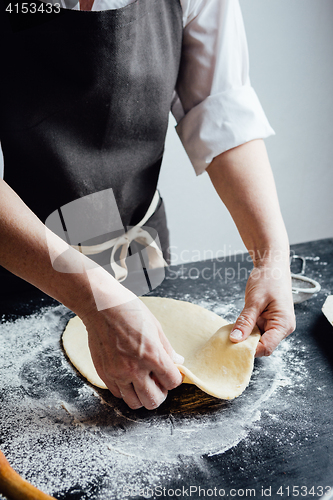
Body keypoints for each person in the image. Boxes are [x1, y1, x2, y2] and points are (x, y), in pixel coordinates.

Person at [0, 0, 295, 411]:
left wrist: (271, 256)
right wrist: (93, 297)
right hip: (19, 258)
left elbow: (221, 109)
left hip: (139, 252)